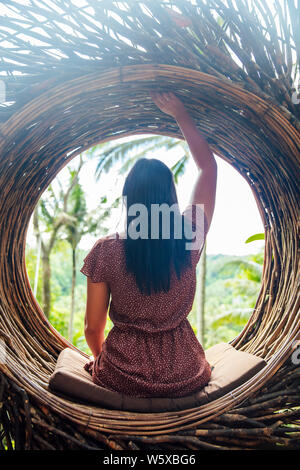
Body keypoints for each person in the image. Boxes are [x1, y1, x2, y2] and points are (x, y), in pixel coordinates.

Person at [80, 92, 217, 398]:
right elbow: (208, 168)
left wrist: (104, 359)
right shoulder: (189, 235)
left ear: (128, 200)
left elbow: (92, 329)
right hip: (185, 375)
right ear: (171, 196)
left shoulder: (106, 251)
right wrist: (180, 113)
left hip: (121, 375)